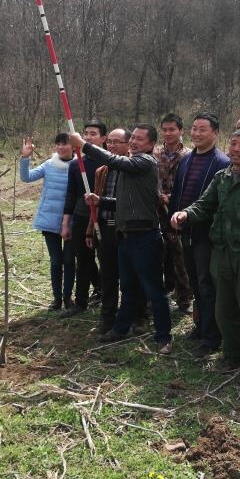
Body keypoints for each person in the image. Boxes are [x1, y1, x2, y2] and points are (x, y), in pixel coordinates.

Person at [171, 129, 240, 386]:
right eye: (233, 144)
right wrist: (185, 214)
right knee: (224, 309)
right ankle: (232, 355)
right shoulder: (221, 178)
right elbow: (204, 204)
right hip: (222, 252)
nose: (235, 149)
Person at [71, 125, 173, 354]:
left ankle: (163, 336)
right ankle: (121, 328)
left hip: (145, 237)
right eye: (133, 137)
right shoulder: (131, 168)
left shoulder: (145, 162)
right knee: (127, 287)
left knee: (153, 290)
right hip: (125, 237)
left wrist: (84, 145)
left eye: (140, 139)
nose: (135, 142)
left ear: (150, 144)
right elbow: (124, 203)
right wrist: (101, 201)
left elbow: (115, 161)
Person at [169, 113, 230, 358]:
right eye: (194, 128)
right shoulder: (186, 160)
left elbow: (220, 204)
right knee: (195, 282)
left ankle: (212, 337)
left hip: (207, 234)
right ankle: (200, 325)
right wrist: (172, 222)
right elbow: (177, 193)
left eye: (202, 129)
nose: (196, 133)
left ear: (215, 133)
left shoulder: (221, 162)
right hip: (186, 231)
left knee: (207, 285)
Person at [84, 128, 136, 334]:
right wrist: (90, 230)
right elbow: (96, 202)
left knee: (129, 276)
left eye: (117, 142)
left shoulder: (133, 168)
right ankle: (107, 318)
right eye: (110, 142)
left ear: (128, 144)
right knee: (107, 275)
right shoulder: (102, 171)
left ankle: (133, 317)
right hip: (106, 228)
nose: (112, 146)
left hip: (127, 229)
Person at [19, 133, 74, 310]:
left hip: (72, 221)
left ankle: (68, 298)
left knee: (69, 261)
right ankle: (57, 299)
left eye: (65, 144)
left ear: (73, 146)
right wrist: (25, 158)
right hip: (50, 221)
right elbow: (26, 177)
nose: (61, 147)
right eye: (58, 144)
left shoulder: (79, 166)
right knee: (56, 261)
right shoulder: (49, 164)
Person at [63, 120, 107, 317]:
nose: (88, 137)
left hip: (105, 215)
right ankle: (80, 302)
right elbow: (71, 195)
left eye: (93, 134)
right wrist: (66, 222)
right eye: (86, 133)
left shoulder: (110, 162)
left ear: (103, 138)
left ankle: (107, 297)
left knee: (106, 259)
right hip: (81, 216)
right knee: (83, 259)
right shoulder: (76, 164)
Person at [154, 113, 193, 314]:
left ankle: (184, 299)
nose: (168, 133)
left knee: (179, 256)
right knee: (159, 255)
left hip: (178, 210)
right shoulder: (154, 152)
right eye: (165, 130)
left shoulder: (189, 155)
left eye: (172, 130)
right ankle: (162, 294)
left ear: (181, 131)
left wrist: (171, 197)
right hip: (155, 210)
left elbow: (190, 184)